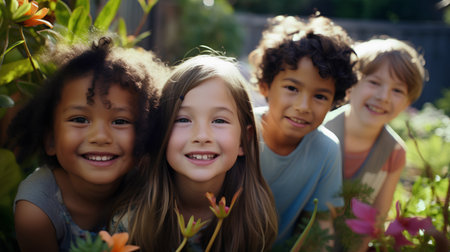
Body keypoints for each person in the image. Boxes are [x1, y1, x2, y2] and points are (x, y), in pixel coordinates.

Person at [8, 37, 169, 252]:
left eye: (120, 121)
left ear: (145, 133)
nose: (100, 137)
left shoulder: (150, 192)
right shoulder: (36, 210)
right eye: (80, 119)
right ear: (51, 140)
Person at [111, 54, 278, 251]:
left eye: (219, 121)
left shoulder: (255, 218)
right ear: (161, 132)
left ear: (244, 139)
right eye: (183, 119)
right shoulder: (132, 219)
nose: (201, 136)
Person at [248, 15, 358, 245]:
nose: (303, 107)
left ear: (334, 101)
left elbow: (321, 225)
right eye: (291, 88)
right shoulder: (241, 133)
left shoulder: (326, 150)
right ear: (265, 86)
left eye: (320, 96)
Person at [324, 37, 426, 251]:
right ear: (351, 85)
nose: (383, 97)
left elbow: (375, 223)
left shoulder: (394, 153)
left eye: (397, 90)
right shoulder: (319, 129)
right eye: (374, 82)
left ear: (407, 102)